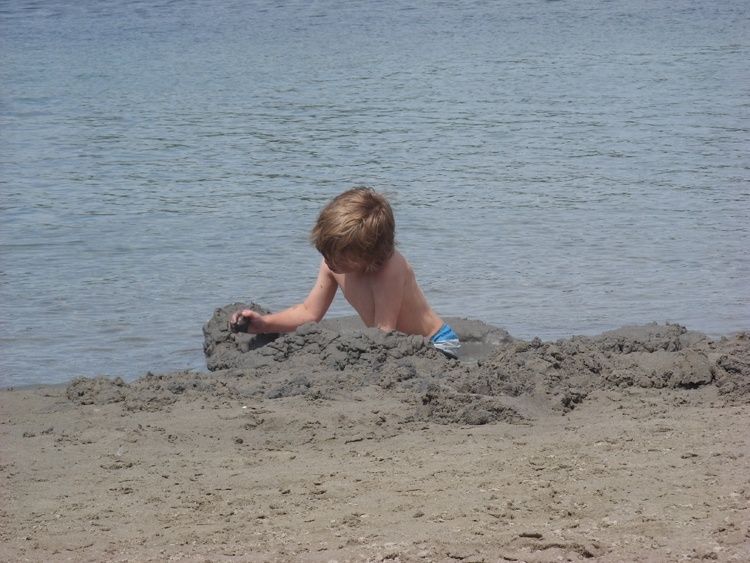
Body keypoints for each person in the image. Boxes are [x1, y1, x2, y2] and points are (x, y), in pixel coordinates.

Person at [230, 187, 460, 357]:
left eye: (336, 255)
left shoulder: (389, 270)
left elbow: (384, 332)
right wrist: (264, 323)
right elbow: (309, 312)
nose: (328, 260)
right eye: (326, 251)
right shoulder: (333, 265)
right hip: (400, 345)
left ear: (368, 256)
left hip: (435, 343)